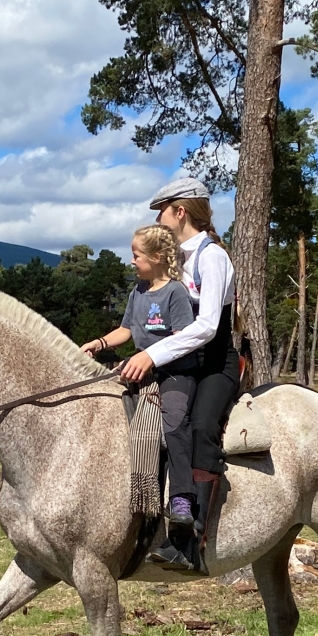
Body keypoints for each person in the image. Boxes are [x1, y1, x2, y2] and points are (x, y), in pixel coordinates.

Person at [118, 177, 240, 575]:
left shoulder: (212, 257)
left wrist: (150, 355)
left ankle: (190, 543)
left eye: (162, 209)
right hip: (177, 365)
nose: (157, 217)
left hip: (214, 365)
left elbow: (206, 326)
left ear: (180, 211)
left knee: (200, 426)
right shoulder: (170, 259)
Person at [81, 225, 199, 530]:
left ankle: (181, 497)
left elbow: (181, 340)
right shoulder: (138, 292)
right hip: (138, 368)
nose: (131, 261)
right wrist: (100, 343)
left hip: (174, 373)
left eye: (136, 255)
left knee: (174, 426)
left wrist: (149, 360)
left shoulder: (175, 292)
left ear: (157, 256)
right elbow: (128, 330)